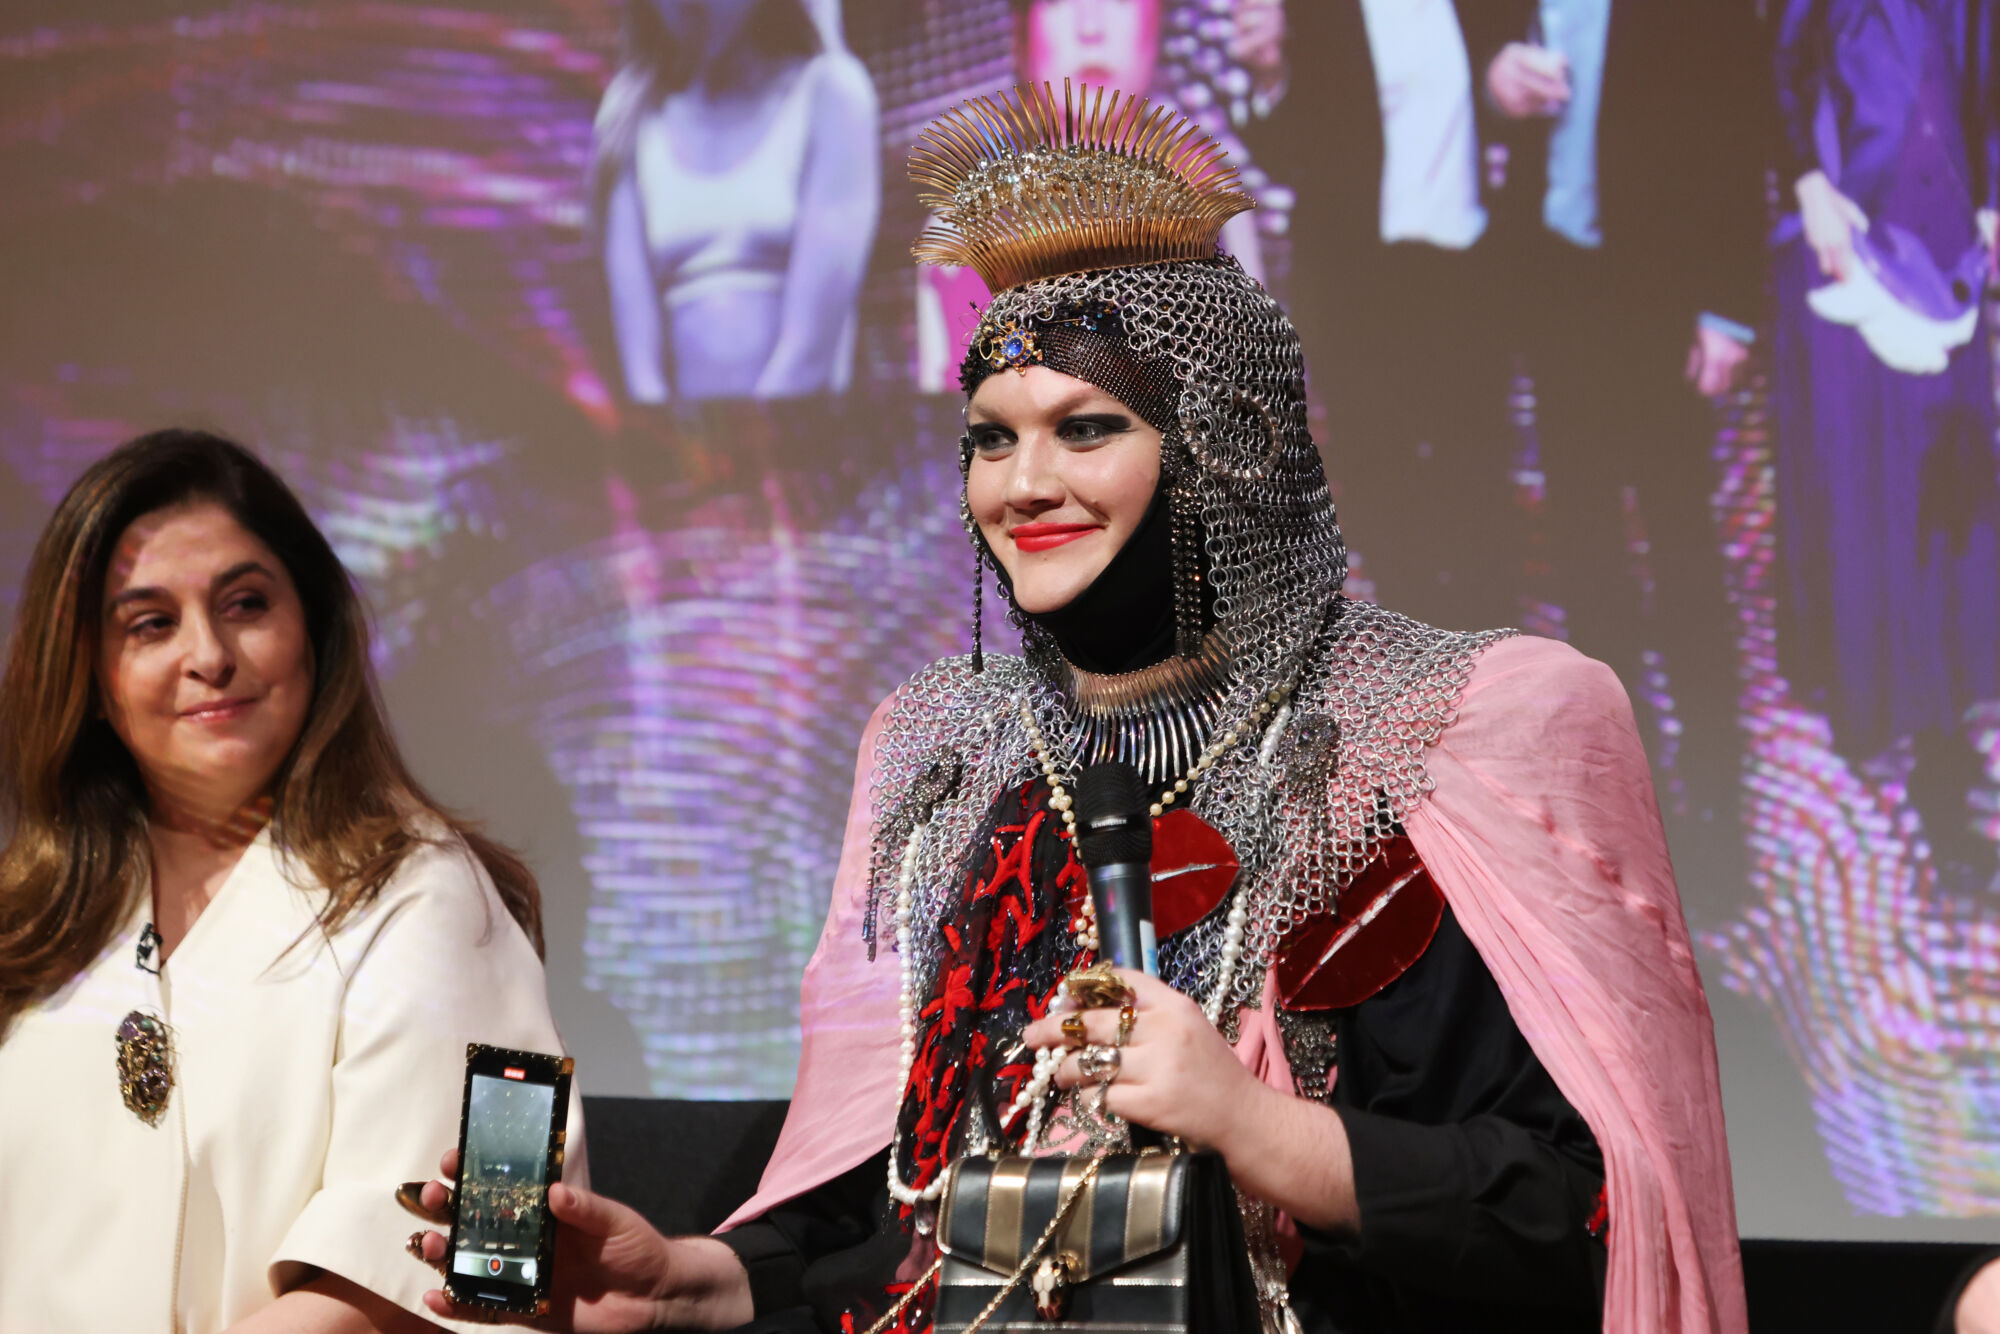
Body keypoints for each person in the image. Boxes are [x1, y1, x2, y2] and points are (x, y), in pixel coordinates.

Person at [410, 85, 1743, 1333]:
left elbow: (1578, 1215)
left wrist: (1252, 1124)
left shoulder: (1461, 723)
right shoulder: (944, 751)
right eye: (991, 435)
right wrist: (687, 1281)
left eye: (1085, 426)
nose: (1022, 482)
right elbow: (889, 1215)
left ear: (1235, 441)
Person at [0, 429, 583, 1331]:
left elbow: (495, 1257)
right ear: (90, 673)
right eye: (150, 623)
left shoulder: (442, 899)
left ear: (311, 624)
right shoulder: (33, 917)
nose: (209, 655)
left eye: (245, 604)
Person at [1480, 0, 1769, 892]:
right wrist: (1497, 82)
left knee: (1682, 537)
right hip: (1556, 279)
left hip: (1663, 292)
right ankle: (1616, 787)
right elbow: (1483, 65)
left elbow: (1739, 126)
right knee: (1583, 537)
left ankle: (1717, 801)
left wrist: (1728, 309)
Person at [1771, 0, 2000, 884]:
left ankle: (1943, 732)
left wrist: (1991, 197)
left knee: (1945, 495)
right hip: (1849, 237)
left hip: (1945, 237)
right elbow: (1775, 65)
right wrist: (1806, 183)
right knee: (1865, 483)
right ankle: (1880, 706)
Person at [1240, 0, 1525, 630]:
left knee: (1477, 465)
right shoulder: (1317, 14)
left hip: (1466, 268)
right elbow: (1287, 155)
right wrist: (1267, 77)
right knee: (1381, 467)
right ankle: (1415, 652)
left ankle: (1492, 654)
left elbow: (1511, 100)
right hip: (1360, 281)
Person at [912, 0, 1270, 393]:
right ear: (1020, 32)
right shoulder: (965, 228)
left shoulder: (1214, 208)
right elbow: (951, 430)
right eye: (1058, 2)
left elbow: (1256, 399)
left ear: (1159, 22)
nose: (1091, 27)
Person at [592, 0, 880, 403]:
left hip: (802, 444)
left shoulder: (832, 95)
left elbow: (810, 350)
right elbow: (641, 372)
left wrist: (747, 451)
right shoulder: (630, 116)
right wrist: (680, 455)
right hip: (684, 452)